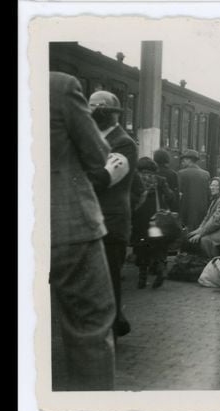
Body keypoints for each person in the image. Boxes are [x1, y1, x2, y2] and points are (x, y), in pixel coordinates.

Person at [49, 72, 122, 390]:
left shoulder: (127, 141)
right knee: (89, 328)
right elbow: (97, 158)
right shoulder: (59, 86)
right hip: (65, 226)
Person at [88, 90, 139, 339]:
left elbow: (100, 180)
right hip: (93, 219)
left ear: (109, 115)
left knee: (109, 277)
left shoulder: (124, 143)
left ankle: (113, 325)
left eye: (97, 113)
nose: (93, 117)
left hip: (112, 222)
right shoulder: (94, 138)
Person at [130, 157, 175, 289]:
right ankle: (161, 269)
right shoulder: (160, 180)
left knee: (141, 247)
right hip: (157, 219)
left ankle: (142, 280)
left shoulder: (135, 179)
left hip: (140, 219)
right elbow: (170, 196)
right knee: (159, 246)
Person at [186, 177, 220, 257]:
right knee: (190, 235)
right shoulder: (217, 197)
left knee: (203, 240)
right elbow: (207, 217)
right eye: (211, 185)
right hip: (215, 228)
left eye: (215, 186)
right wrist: (199, 229)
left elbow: (217, 221)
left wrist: (201, 233)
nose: (211, 187)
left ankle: (210, 261)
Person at [177, 150, 211, 231]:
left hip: (185, 211)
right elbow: (208, 194)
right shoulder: (206, 174)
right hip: (202, 211)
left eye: (184, 160)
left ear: (189, 160)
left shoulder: (181, 173)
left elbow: (178, 193)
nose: (182, 162)